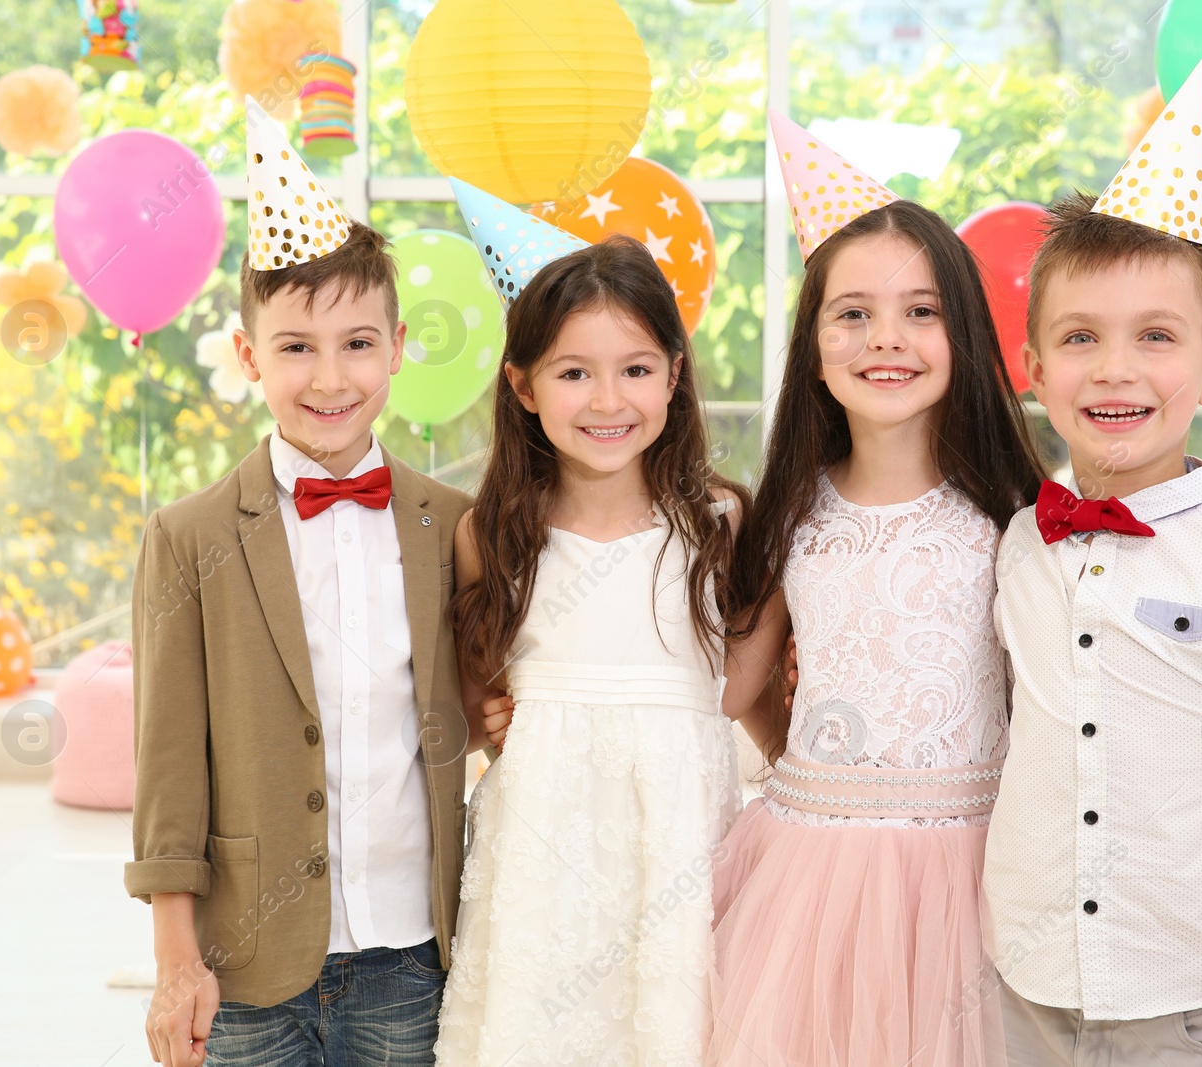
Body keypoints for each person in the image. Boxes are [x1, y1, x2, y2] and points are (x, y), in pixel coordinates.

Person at [985, 64, 1202, 1066]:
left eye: (1156, 337)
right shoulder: (1018, 543)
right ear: (1035, 366)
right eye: (1080, 337)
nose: (1115, 368)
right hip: (1024, 982)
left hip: (1186, 1003)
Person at [128, 97, 480, 1067]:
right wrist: (175, 959)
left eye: (358, 343)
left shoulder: (454, 526)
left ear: (399, 347)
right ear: (248, 355)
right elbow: (167, 768)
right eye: (295, 346)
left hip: (412, 952)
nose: (331, 376)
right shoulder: (188, 536)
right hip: (246, 960)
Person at [707, 111, 1045, 1067]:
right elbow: (739, 691)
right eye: (852, 312)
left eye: (921, 311)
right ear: (812, 343)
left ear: (966, 335)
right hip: (805, 877)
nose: (884, 338)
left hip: (973, 876)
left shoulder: (1012, 518)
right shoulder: (786, 514)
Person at [430, 183, 751, 1066]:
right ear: (523, 387)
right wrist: (485, 714)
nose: (608, 399)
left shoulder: (718, 524)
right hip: (542, 850)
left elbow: (755, 689)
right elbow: (477, 686)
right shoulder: (489, 534)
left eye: (636, 369)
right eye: (574, 372)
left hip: (678, 847)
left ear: (675, 375)